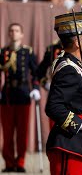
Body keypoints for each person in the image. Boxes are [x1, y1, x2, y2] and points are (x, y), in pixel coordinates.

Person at [45, 12, 82, 174]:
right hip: (68, 143)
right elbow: (53, 107)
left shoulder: (81, 64)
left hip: (81, 142)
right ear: (77, 42)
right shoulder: (68, 68)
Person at [0, 23, 40, 172]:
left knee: (22, 132)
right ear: (8, 34)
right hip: (7, 95)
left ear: (22, 34)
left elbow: (35, 73)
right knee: (8, 131)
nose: (14, 33)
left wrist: (35, 89)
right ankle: (9, 163)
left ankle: (21, 162)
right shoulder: (3, 52)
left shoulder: (28, 52)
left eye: (17, 30)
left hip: (24, 93)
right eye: (11, 30)